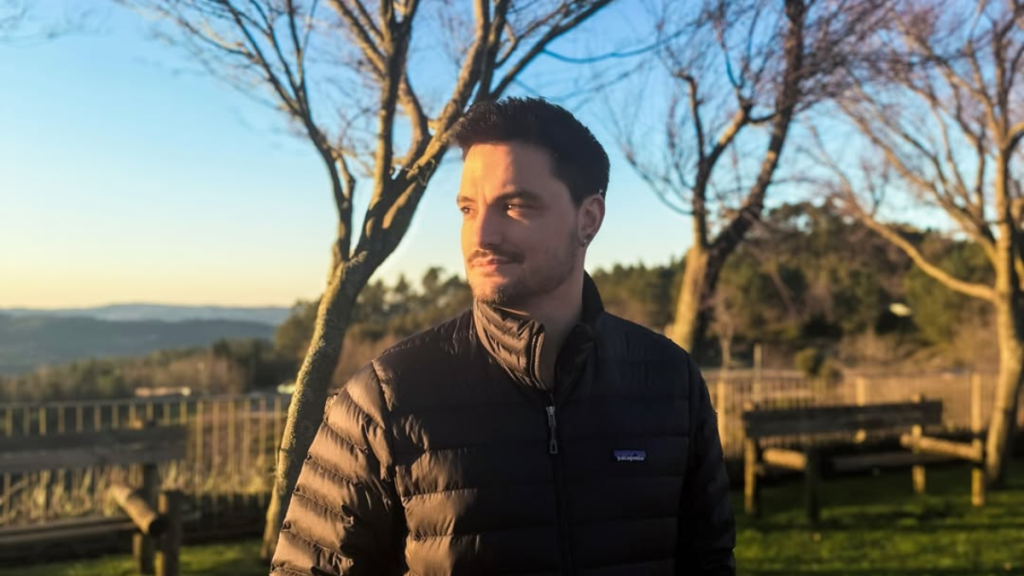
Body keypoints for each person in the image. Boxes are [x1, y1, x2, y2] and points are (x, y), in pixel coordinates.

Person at [270, 97, 736, 576]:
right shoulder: (385, 399)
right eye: (468, 209)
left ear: (589, 219)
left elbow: (710, 560)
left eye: (514, 206)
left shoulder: (670, 382)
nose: (481, 236)